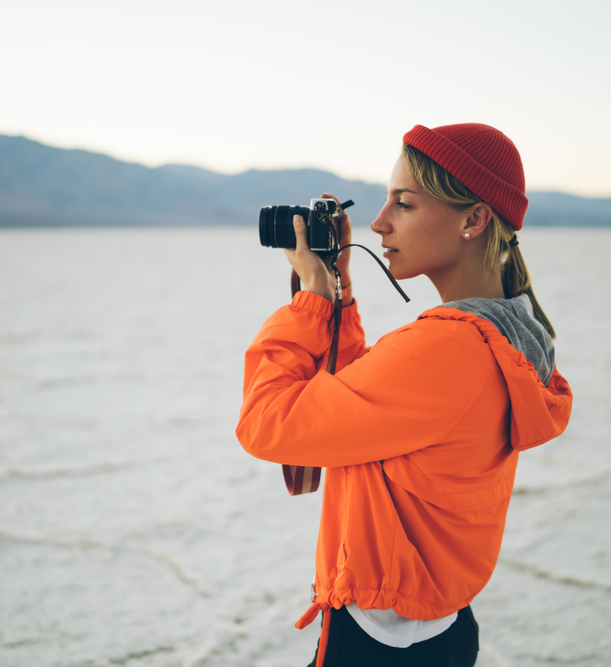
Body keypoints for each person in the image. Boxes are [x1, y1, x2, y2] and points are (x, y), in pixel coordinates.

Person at [236, 123, 573, 667]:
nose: (378, 223)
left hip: (378, 640)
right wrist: (338, 288)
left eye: (404, 204)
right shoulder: (502, 337)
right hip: (439, 627)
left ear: (473, 219)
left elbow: (268, 424)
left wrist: (310, 305)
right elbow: (354, 415)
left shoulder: (444, 349)